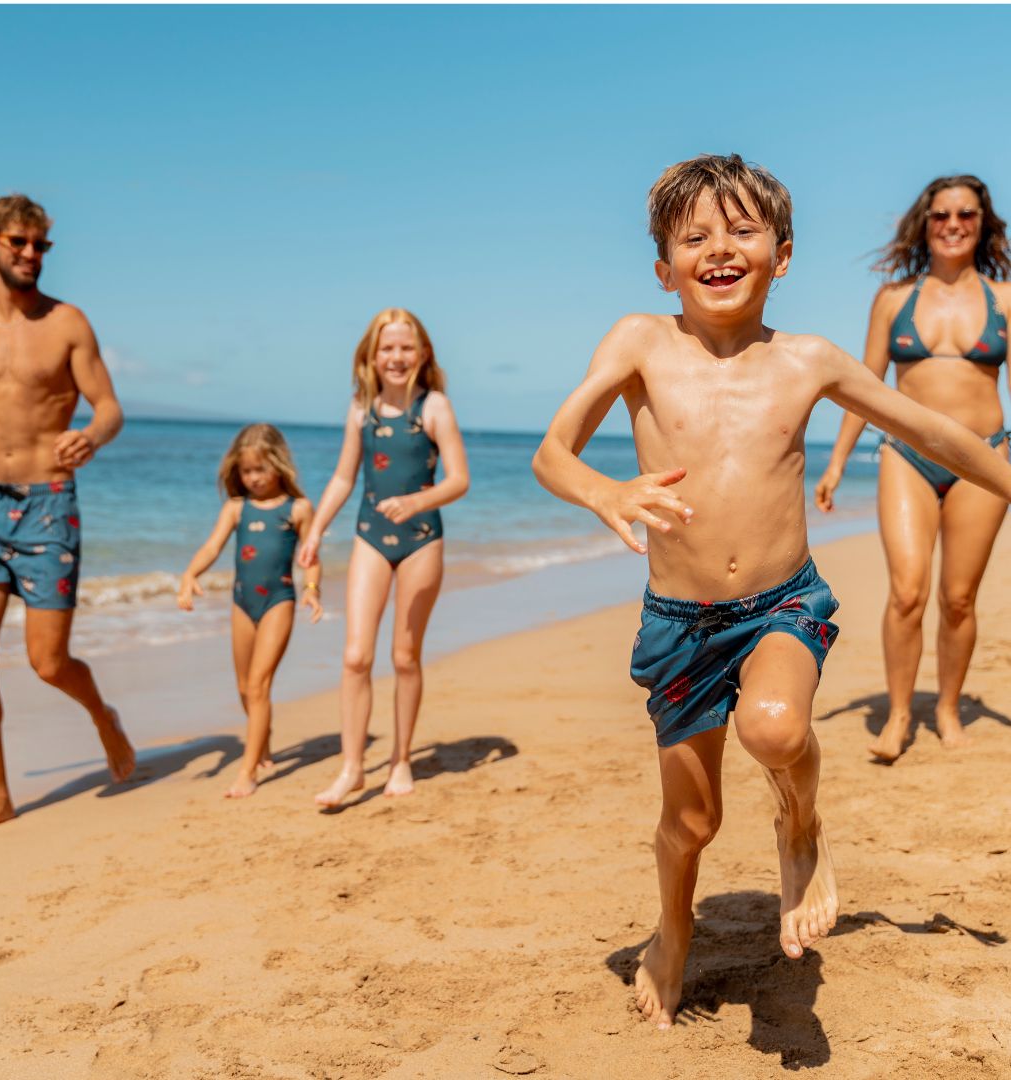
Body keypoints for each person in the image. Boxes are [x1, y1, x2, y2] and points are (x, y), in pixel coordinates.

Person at [531, 154, 1011, 1029]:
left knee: (776, 726)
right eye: (695, 238)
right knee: (692, 824)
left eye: (743, 231)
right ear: (664, 267)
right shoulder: (639, 341)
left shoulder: (809, 360)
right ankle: (674, 926)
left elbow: (936, 433)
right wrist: (606, 492)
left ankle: (801, 824)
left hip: (781, 605)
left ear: (781, 255)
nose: (719, 249)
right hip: (680, 623)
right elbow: (552, 453)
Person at [0, 193, 135, 839]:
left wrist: (91, 436)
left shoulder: (68, 323)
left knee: (49, 663)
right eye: (18, 242)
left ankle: (102, 714)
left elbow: (109, 408)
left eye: (39, 244)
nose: (30, 254)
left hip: (49, 504)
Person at [815, 176, 1011, 761]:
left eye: (966, 214)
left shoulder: (1005, 299)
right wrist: (836, 463)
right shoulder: (893, 299)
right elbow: (864, 387)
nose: (953, 225)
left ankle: (947, 709)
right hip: (906, 457)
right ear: (924, 225)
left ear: (982, 223)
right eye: (941, 215)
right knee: (906, 593)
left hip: (984, 457)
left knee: (959, 598)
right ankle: (899, 715)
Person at [299, 309, 469, 806]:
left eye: (405, 348)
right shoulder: (360, 409)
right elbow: (343, 477)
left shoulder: (434, 407)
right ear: (371, 357)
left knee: (404, 657)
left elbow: (459, 479)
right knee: (356, 657)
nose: (396, 357)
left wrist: (417, 501)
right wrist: (316, 529)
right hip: (370, 537)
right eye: (387, 348)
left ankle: (400, 760)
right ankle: (352, 768)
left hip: (422, 539)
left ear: (423, 354)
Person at [178, 424, 322, 798]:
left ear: (279, 464)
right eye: (246, 471)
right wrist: (191, 574)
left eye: (260, 469)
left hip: (278, 601)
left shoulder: (298, 509)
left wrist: (311, 590)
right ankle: (263, 735)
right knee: (244, 687)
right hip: (242, 602)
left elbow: (311, 557)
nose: (253, 477)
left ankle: (248, 771)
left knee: (258, 686)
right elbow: (212, 547)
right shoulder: (236, 508)